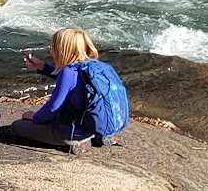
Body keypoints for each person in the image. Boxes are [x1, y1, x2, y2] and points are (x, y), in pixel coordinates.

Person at [13, 26, 127, 154]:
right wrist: (42, 66)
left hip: (73, 131)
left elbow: (52, 107)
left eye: (53, 47)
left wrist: (34, 117)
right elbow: (71, 82)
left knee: (18, 127)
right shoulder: (95, 66)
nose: (51, 51)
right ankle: (99, 136)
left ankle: (75, 142)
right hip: (95, 124)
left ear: (62, 50)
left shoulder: (68, 72)